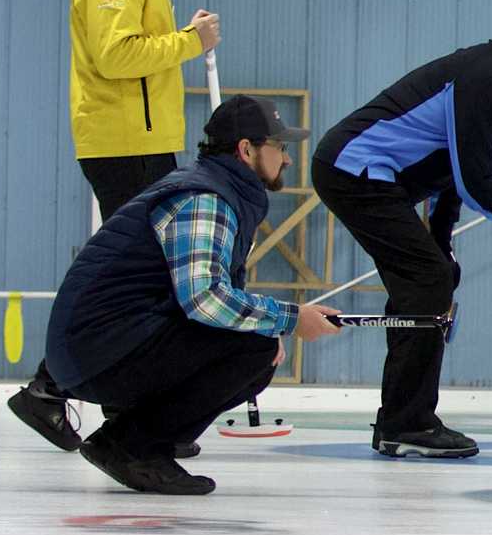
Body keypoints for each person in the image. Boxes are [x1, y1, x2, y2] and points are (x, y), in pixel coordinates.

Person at [309, 0, 492, 459]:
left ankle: (400, 421)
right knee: (427, 280)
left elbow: (451, 169)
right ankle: (408, 422)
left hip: (368, 176)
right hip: (355, 171)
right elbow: (476, 177)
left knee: (432, 276)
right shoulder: (488, 77)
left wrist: (442, 240)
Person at [12, 0, 224, 450]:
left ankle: (99, 399)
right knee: (139, 276)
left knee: (143, 274)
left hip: (142, 138)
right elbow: (115, 55)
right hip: (125, 141)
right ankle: (61, 391)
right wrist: (189, 41)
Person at [42, 98, 343, 494]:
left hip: (105, 345)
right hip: (97, 351)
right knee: (252, 348)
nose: (287, 159)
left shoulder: (217, 189)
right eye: (280, 147)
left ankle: (131, 440)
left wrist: (266, 328)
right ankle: (134, 447)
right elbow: (204, 299)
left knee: (258, 348)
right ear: (246, 150)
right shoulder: (206, 199)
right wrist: (288, 319)